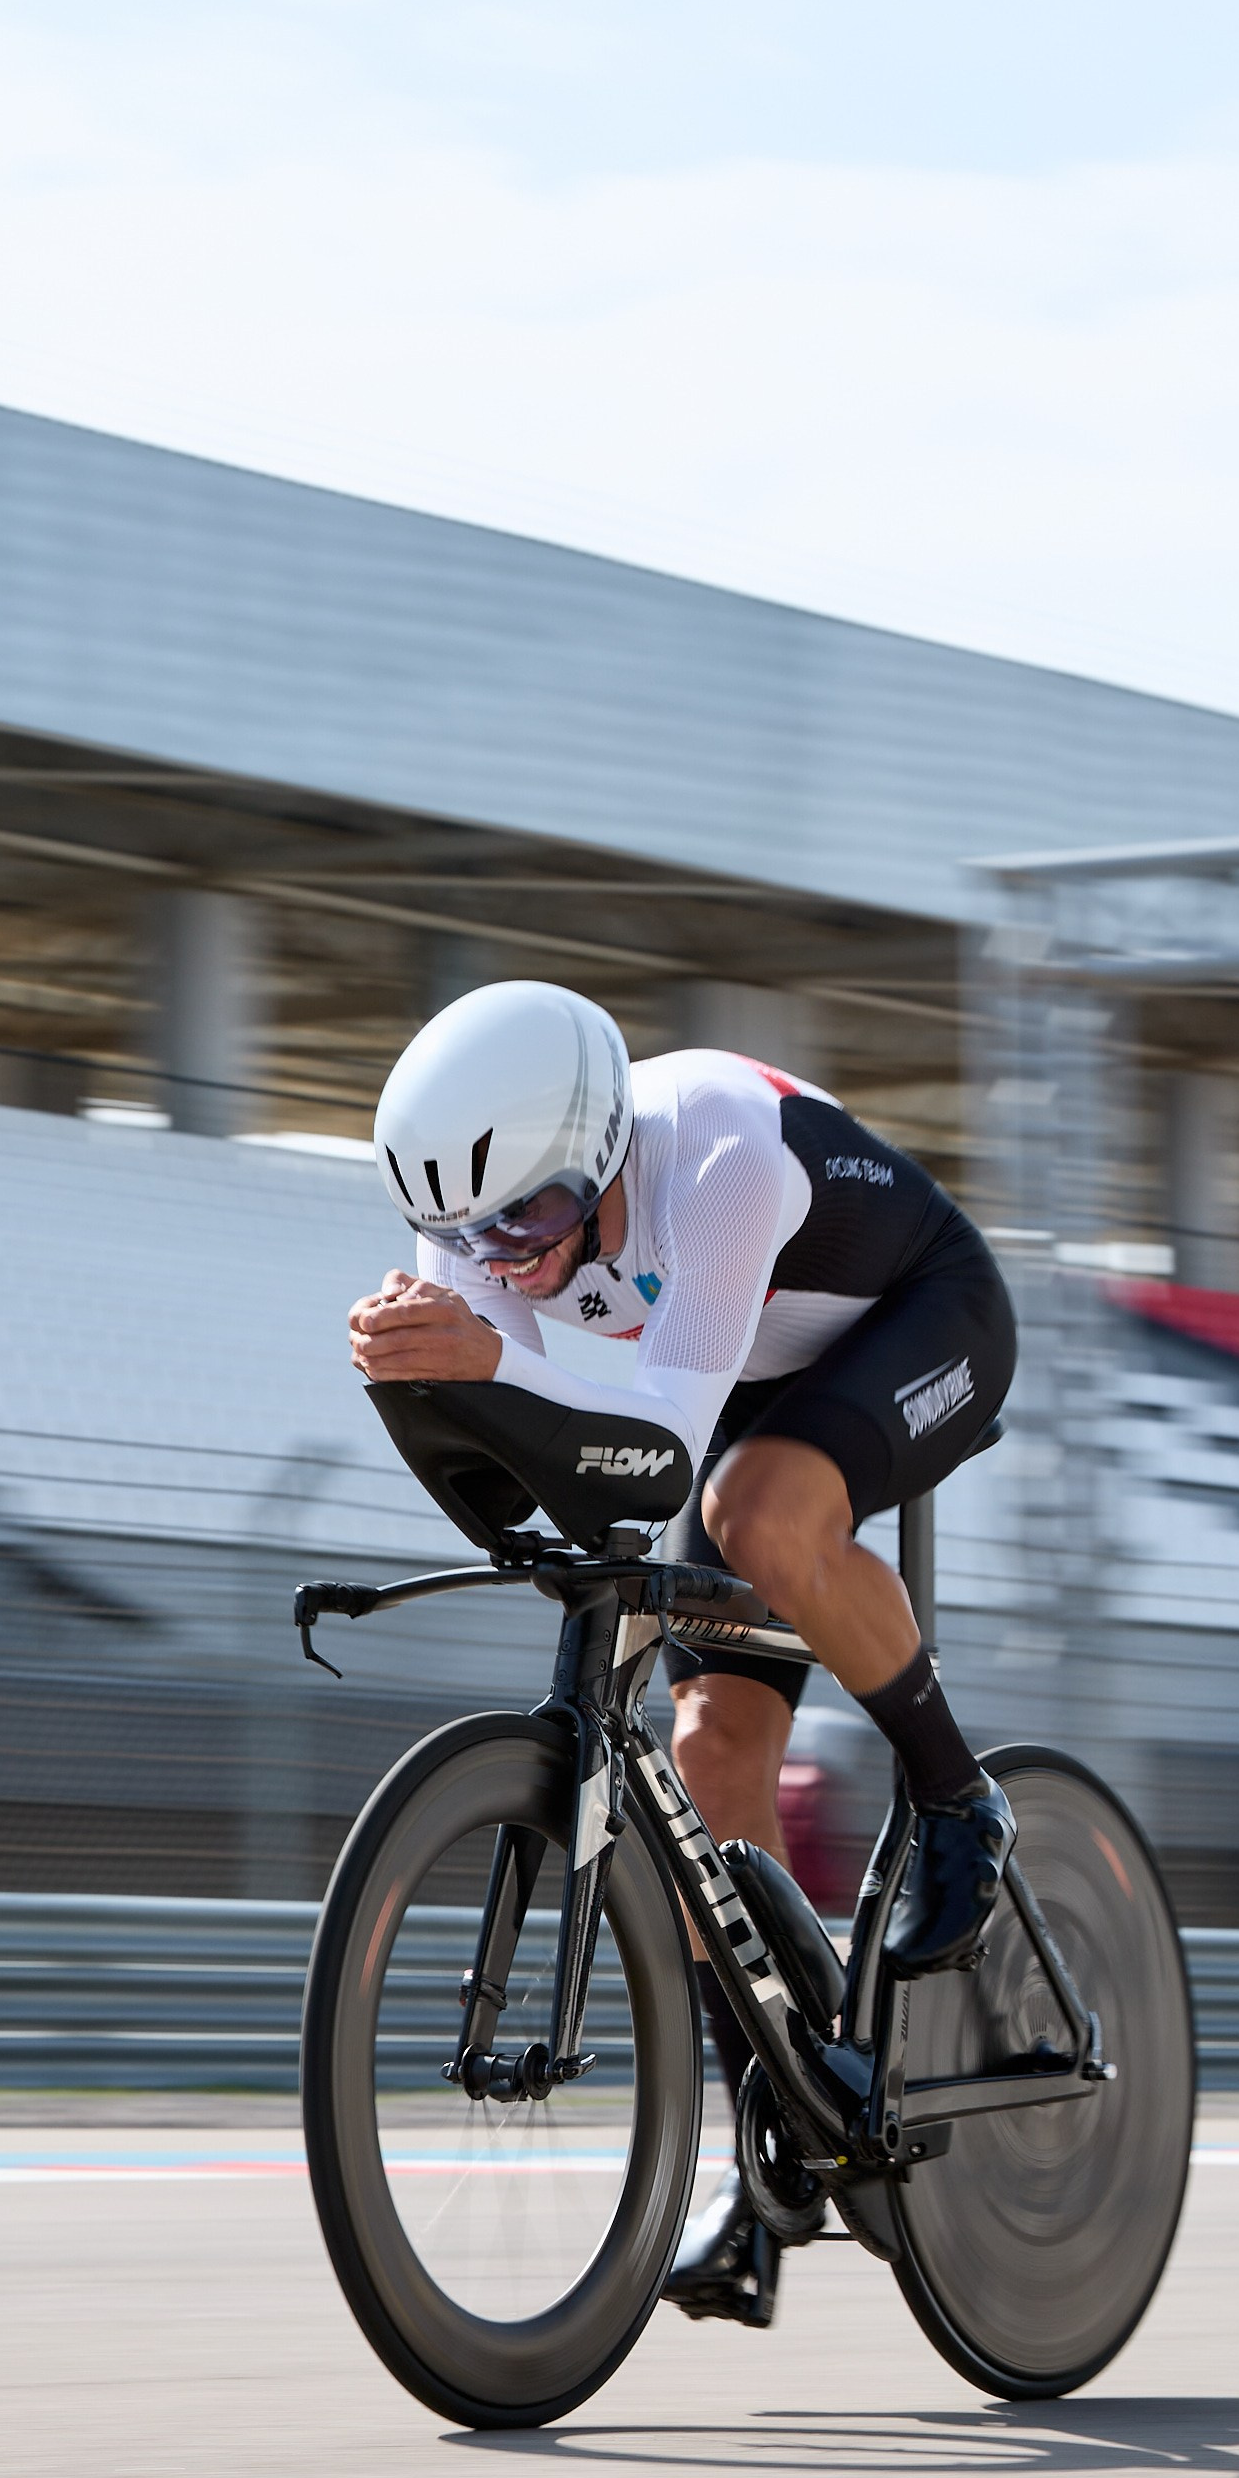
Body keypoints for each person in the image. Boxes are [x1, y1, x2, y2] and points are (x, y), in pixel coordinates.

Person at [348, 980, 1017, 2324]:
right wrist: (429, 1384)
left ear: (599, 1157)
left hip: (912, 1321)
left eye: (529, 1215)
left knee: (759, 1511)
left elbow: (657, 1435)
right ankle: (770, 2162)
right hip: (725, 1381)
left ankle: (960, 1799)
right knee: (709, 1751)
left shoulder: (713, 1150)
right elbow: (567, 1460)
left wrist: (488, 1357)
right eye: (464, 1231)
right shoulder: (492, 1229)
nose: (505, 1253)